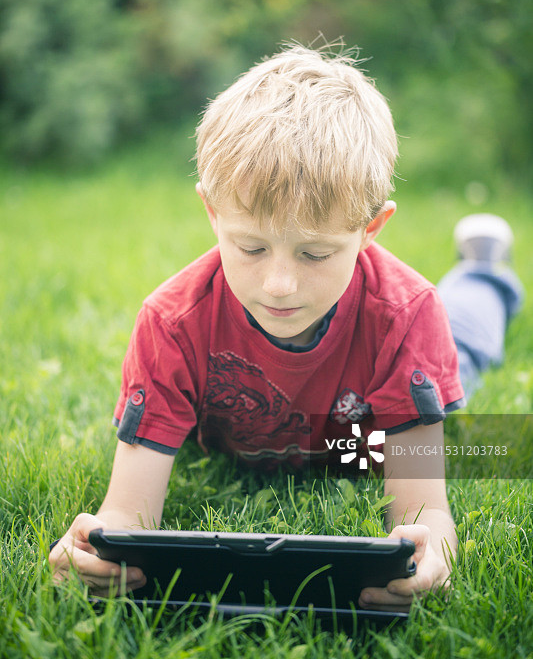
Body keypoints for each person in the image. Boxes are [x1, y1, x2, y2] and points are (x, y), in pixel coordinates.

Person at [49, 44, 523, 611]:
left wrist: (430, 549)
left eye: (315, 255)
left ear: (372, 228)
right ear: (212, 214)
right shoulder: (171, 323)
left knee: (465, 343)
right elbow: (128, 512)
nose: (279, 284)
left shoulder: (407, 316)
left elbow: (423, 511)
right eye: (250, 246)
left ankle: (483, 270)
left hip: (363, 442)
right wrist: (100, 548)